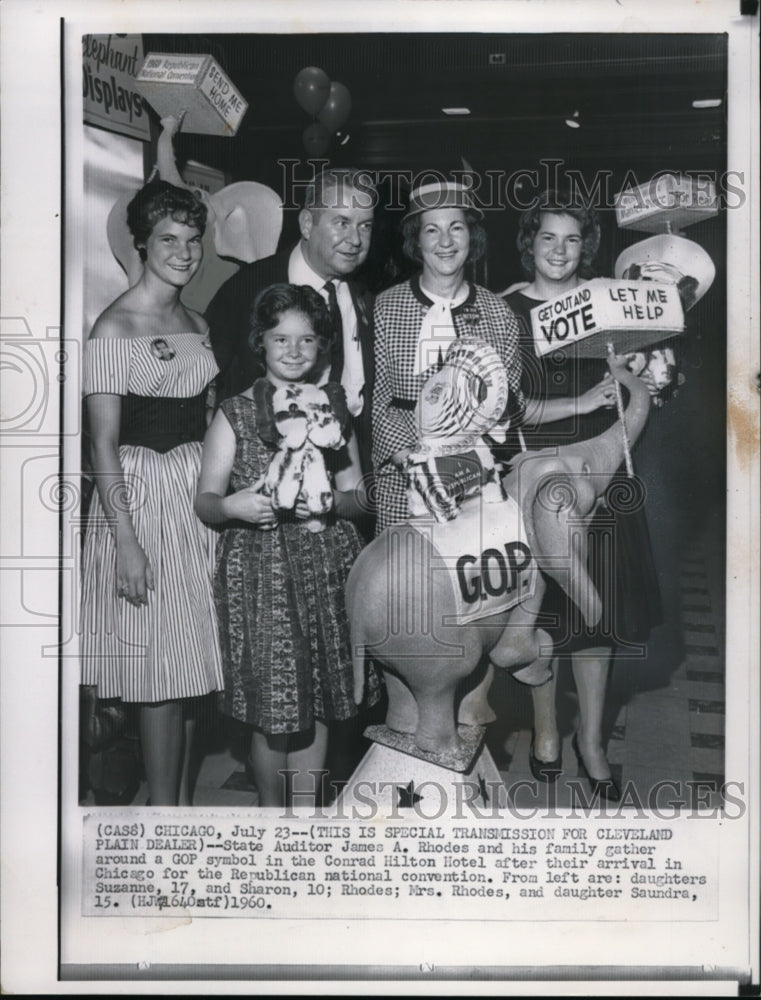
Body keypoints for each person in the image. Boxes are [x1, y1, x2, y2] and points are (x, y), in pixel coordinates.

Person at [504, 190, 662, 801]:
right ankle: (547, 729)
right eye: (548, 237)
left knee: (598, 620)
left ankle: (591, 740)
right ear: (530, 243)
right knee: (543, 609)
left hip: (603, 460)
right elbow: (502, 405)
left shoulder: (605, 303)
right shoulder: (507, 309)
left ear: (585, 246)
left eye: (572, 239)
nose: (560, 251)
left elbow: (642, 378)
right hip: (534, 467)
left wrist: (639, 371)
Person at [196, 283, 378, 808]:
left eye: (305, 340)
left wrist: (330, 507)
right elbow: (205, 500)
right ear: (261, 342)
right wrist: (234, 508)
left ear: (321, 345)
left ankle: (305, 816)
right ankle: (272, 818)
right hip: (259, 568)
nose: (294, 351)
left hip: (326, 563)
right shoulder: (235, 412)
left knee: (317, 696)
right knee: (274, 704)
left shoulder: (333, 409)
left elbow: (358, 497)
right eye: (281, 340)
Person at [80, 179, 223, 807]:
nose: (185, 252)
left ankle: (180, 813)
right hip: (138, 502)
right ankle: (164, 832)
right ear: (141, 245)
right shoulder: (113, 327)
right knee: (158, 676)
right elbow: (102, 445)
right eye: (169, 240)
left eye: (193, 241)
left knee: (194, 671)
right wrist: (127, 544)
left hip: (195, 503)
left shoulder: (198, 322)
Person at [372, 180, 526, 534]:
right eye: (432, 230)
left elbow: (510, 399)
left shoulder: (498, 312)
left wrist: (466, 461)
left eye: (456, 228)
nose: (445, 242)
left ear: (471, 237)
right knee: (406, 579)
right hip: (404, 476)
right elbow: (376, 400)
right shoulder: (385, 307)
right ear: (416, 240)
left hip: (476, 476)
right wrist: (415, 462)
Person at [205, 167, 377, 479]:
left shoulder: (368, 298)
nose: (355, 239)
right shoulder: (246, 288)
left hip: (351, 484)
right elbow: (207, 386)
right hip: (262, 484)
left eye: (365, 226)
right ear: (308, 223)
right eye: (342, 223)